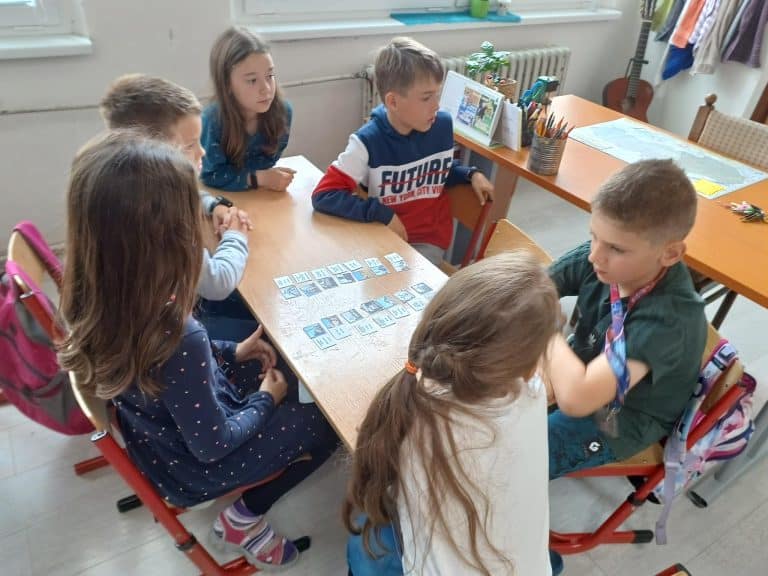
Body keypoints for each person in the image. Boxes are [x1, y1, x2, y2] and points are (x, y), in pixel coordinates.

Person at [58, 130, 339, 570]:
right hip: (191, 468)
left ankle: (264, 408)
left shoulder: (93, 293)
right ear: (165, 238)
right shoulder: (177, 332)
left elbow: (167, 373)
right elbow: (213, 445)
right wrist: (267, 400)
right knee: (325, 420)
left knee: (286, 363)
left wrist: (230, 351)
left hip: (155, 438)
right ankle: (243, 520)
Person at [343, 251, 560, 576]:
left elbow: (383, 485)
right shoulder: (533, 392)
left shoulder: (415, 407)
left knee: (364, 540)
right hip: (531, 568)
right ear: (528, 365)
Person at [543, 159, 707, 573]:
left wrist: (544, 328)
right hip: (586, 371)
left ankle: (534, 560)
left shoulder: (669, 320)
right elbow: (537, 286)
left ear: (670, 253)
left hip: (622, 418)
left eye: (615, 248)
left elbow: (578, 399)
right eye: (593, 236)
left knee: (514, 457)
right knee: (492, 409)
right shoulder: (605, 257)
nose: (595, 256)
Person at [311, 37, 494, 267]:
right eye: (426, 97)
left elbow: (438, 172)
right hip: (380, 234)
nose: (436, 105)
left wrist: (470, 174)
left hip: (427, 241)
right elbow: (324, 195)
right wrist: (382, 214)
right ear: (393, 102)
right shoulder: (367, 141)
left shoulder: (441, 125)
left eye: (437, 95)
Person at [99, 73, 256, 340]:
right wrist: (236, 236)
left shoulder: (128, 184)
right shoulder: (162, 217)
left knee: (249, 302)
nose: (202, 152)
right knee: (267, 331)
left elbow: (194, 193)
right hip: (165, 335)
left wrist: (213, 205)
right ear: (155, 156)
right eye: (190, 145)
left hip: (158, 311)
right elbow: (218, 283)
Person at [201, 27, 295, 192]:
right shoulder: (212, 120)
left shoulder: (283, 112)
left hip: (258, 195)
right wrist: (259, 178)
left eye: (270, 76)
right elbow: (211, 175)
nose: (266, 89)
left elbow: (268, 162)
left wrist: (265, 177)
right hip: (223, 198)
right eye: (252, 80)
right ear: (227, 84)